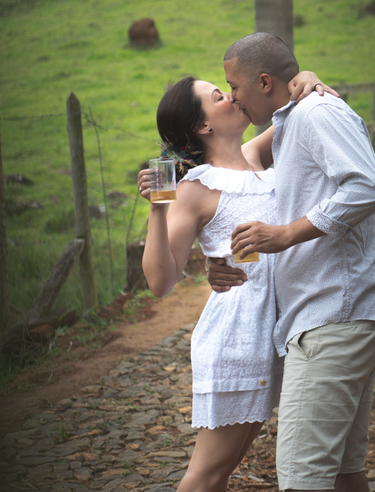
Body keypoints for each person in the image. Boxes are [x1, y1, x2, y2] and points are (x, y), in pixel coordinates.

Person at [208, 32, 375, 492]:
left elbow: (367, 188)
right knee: (343, 474)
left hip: (335, 314)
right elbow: (233, 183)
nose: (233, 97)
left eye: (233, 86)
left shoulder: (316, 112)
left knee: (301, 478)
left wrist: (286, 234)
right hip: (333, 316)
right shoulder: (293, 122)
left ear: (262, 81)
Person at [135, 70, 333, 492]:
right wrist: (157, 209)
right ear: (203, 125)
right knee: (205, 476)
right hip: (238, 338)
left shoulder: (256, 157)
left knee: (219, 474)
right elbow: (159, 281)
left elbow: (298, 110)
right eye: (219, 95)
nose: (232, 96)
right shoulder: (194, 187)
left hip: (276, 328)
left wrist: (308, 77)